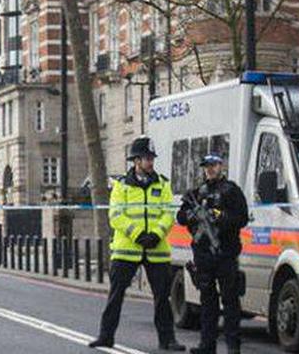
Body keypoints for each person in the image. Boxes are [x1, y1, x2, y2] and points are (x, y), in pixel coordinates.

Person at [89, 137, 185, 351]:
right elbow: (116, 215)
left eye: (151, 158)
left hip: (157, 249)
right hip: (126, 250)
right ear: (136, 160)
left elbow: (169, 214)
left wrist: (156, 234)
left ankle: (167, 340)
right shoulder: (122, 185)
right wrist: (138, 234)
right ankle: (106, 336)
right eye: (146, 158)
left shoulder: (163, 183)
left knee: (162, 298)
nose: (150, 162)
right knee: (116, 296)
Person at [176, 154, 249, 354]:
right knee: (207, 301)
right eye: (207, 166)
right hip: (203, 255)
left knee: (230, 301)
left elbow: (242, 218)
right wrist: (192, 215)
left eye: (213, 165)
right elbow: (181, 217)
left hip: (225, 253)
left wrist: (220, 217)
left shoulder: (231, 191)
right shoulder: (197, 193)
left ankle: (233, 346)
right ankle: (207, 345)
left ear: (221, 166)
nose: (210, 169)